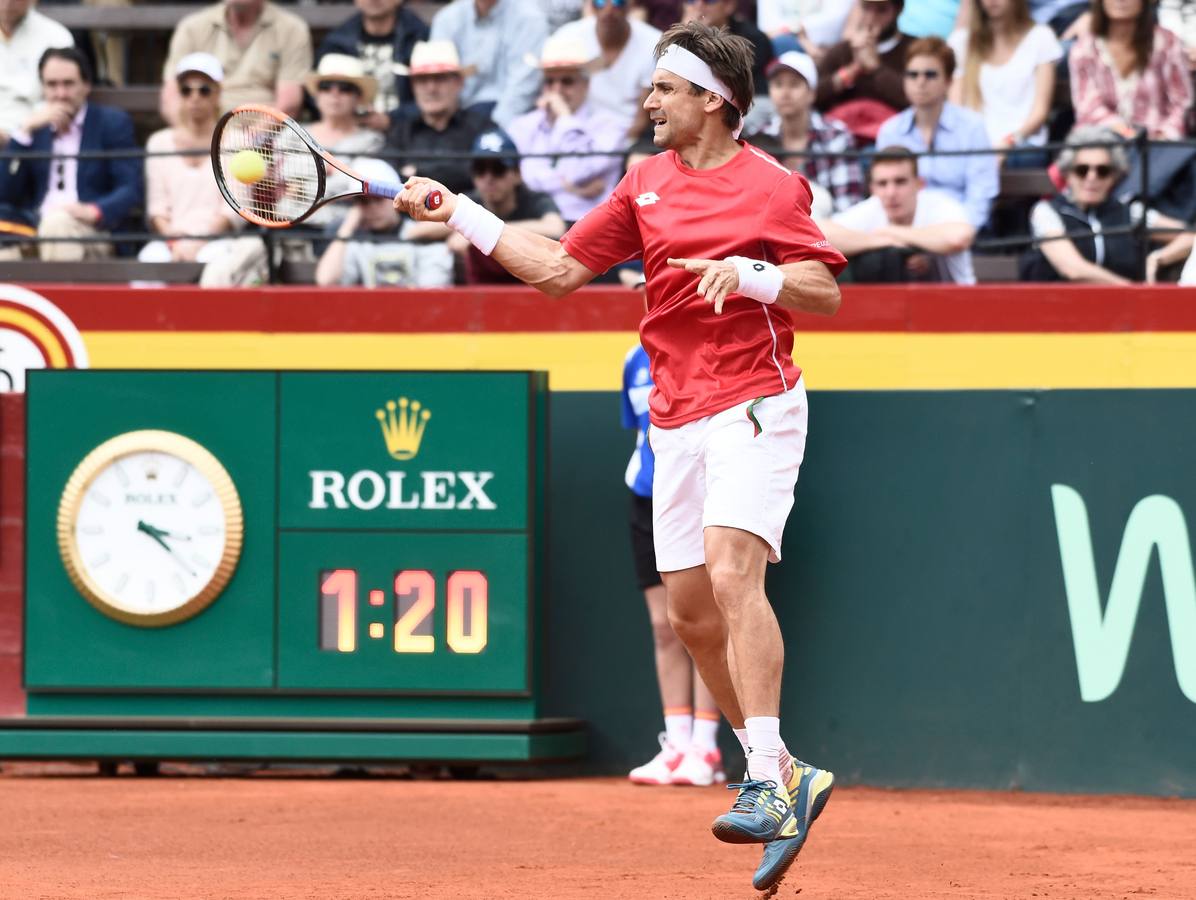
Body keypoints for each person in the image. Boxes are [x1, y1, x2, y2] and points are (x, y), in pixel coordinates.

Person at [394, 21, 844, 894]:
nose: (648, 103)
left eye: (664, 90)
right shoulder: (642, 185)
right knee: (689, 615)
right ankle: (777, 774)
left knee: (730, 572)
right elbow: (560, 270)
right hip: (673, 416)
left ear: (712, 99)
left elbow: (824, 290)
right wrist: (465, 215)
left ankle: (769, 765)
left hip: (755, 397)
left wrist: (751, 275)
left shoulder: (774, 187)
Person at [622, 342, 727, 788]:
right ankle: (677, 744)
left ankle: (707, 745)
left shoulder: (712, 349)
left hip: (705, 497)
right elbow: (640, 430)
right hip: (648, 496)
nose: (652, 293)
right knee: (664, 625)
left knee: (705, 624)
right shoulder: (633, 359)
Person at [0, 47, 141, 262]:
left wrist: (95, 210)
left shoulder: (111, 123)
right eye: (52, 85)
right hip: (34, 231)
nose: (60, 94)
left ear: (86, 85)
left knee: (58, 226)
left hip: (90, 232)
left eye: (68, 84)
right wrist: (24, 133)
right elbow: (6, 193)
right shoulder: (36, 128)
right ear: (42, 88)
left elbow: (131, 188)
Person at [1020, 125, 1187, 283]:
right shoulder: (1046, 211)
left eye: (1103, 171)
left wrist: (1160, 257)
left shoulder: (1130, 212)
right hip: (1059, 308)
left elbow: (1190, 236)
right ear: (1068, 174)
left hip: (1124, 310)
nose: (1091, 178)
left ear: (1114, 176)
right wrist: (1130, 290)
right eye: (1082, 170)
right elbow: (1072, 269)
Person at [405, 130, 566, 283]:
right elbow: (415, 231)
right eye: (480, 169)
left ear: (517, 174)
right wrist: (462, 226)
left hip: (533, 285)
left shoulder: (532, 199)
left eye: (498, 169)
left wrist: (478, 231)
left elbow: (555, 228)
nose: (488, 178)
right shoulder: (470, 201)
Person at [874, 36, 998, 230]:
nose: (920, 82)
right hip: (904, 232)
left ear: (948, 82)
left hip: (958, 230)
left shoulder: (972, 127)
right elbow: (883, 193)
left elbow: (980, 197)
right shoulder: (890, 131)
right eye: (912, 75)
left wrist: (950, 236)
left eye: (930, 75)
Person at [506, 36, 628, 226]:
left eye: (567, 81)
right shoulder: (522, 126)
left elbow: (577, 171)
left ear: (586, 85)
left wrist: (564, 119)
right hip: (536, 223)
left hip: (589, 226)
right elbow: (520, 180)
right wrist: (571, 188)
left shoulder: (610, 125)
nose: (557, 90)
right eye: (550, 82)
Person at [820, 145, 977, 283]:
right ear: (873, 189)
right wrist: (882, 241)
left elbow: (959, 238)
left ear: (919, 184)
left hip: (958, 304)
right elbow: (819, 237)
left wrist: (890, 231)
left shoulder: (939, 204)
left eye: (900, 181)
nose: (891, 192)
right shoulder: (872, 207)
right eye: (882, 184)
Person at [749, 50, 865, 212]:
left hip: (828, 230)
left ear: (812, 94)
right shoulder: (759, 137)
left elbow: (848, 207)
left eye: (794, 84)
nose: (785, 93)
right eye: (778, 84)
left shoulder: (836, 136)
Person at [161, 0, 312, 123]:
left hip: (267, 142)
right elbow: (170, 97)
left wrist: (251, 140)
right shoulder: (191, 27)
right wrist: (194, 135)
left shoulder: (292, 28)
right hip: (201, 135)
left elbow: (288, 104)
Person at [948, 0, 1062, 162]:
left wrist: (1008, 142)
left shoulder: (1041, 37)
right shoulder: (961, 41)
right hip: (973, 145)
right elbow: (956, 110)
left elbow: (1040, 112)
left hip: (1022, 143)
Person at [315, 158, 454, 287]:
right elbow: (326, 281)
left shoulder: (423, 235)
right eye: (364, 202)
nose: (373, 208)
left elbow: (433, 294)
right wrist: (348, 226)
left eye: (379, 199)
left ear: (396, 197)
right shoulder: (354, 243)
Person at [387, 40, 498, 195]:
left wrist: (417, 171)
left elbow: (493, 176)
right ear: (413, 86)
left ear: (459, 82)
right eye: (422, 80)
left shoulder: (482, 127)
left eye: (440, 78)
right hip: (411, 217)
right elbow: (388, 178)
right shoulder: (401, 133)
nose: (431, 88)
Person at [1068, 0, 1191, 140]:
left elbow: (1182, 102)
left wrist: (1164, 134)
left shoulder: (1167, 42)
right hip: (1102, 144)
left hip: (1159, 145)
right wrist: (1126, 133)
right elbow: (1088, 107)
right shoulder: (1084, 48)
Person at [550, 0, 663, 138]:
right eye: (600, 2)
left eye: (618, 2)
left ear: (630, 4)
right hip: (572, 134)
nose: (608, 9)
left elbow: (640, 121)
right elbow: (553, 96)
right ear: (590, 4)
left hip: (627, 142)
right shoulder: (566, 37)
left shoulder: (654, 43)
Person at [429, 0, 548, 128]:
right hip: (455, 115)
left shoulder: (529, 18)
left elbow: (524, 87)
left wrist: (492, 129)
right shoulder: (447, 19)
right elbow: (435, 74)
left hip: (508, 118)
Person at [315, 0, 429, 128]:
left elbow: (437, 96)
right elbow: (317, 92)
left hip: (410, 133)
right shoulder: (337, 41)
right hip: (349, 132)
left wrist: (393, 119)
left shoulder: (421, 37)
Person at [304, 55, 386, 227]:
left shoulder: (372, 141)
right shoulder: (293, 133)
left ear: (359, 97)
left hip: (340, 230)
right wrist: (327, 174)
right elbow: (275, 182)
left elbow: (352, 187)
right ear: (317, 95)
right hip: (286, 226)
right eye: (326, 87)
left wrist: (299, 186)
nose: (335, 94)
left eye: (345, 88)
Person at [815, 0, 914, 120]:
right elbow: (812, 96)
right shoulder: (842, 50)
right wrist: (853, 69)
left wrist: (877, 69)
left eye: (881, 10)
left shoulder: (914, 50)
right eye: (866, 8)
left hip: (895, 133)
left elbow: (917, 97)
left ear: (898, 10)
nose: (871, 17)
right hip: (843, 133)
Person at [0, 0, 73, 147]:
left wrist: (24, 130)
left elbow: (63, 98)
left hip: (37, 138)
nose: (8, 2)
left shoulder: (57, 36)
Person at [682, 0, 775, 93]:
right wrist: (684, 35)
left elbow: (729, 78)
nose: (698, 6)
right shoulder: (676, 37)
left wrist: (700, 35)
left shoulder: (752, 38)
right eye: (690, 1)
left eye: (709, 1)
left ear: (729, 5)